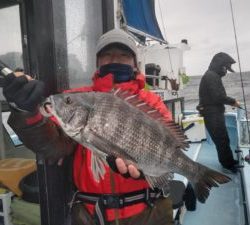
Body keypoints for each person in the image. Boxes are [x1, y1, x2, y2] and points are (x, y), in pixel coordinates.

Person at [3, 29, 175, 225]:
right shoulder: (76, 99)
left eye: (124, 55)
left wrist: (148, 166)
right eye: (107, 55)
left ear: (135, 64)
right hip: (90, 215)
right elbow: (52, 144)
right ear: (97, 62)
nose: (115, 60)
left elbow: (167, 144)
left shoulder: (151, 102)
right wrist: (26, 110)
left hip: (148, 212)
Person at [198, 52, 240, 173]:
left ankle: (228, 161)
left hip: (213, 114)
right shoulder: (211, 76)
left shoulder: (211, 75)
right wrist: (233, 102)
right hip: (212, 115)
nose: (225, 71)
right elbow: (218, 97)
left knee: (223, 139)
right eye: (225, 67)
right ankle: (228, 165)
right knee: (221, 140)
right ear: (219, 65)